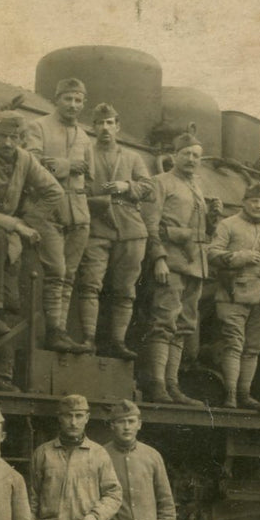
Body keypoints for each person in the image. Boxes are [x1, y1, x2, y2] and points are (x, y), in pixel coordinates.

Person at [0, 110, 65, 389]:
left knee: (26, 278)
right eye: (3, 136)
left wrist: (29, 222)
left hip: (8, 235)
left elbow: (54, 191)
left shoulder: (25, 159)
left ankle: (2, 371)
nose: (8, 143)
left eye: (14, 138)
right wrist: (16, 225)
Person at [77, 103, 156, 358]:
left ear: (118, 126)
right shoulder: (85, 154)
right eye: (100, 123)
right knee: (91, 284)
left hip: (131, 228)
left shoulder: (132, 157)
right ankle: (89, 338)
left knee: (125, 290)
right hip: (97, 224)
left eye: (110, 123)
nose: (105, 128)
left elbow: (149, 188)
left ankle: (118, 342)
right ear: (93, 127)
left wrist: (126, 185)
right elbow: (79, 187)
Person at [137, 132, 210, 406]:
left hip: (194, 266)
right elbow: (151, 224)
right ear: (175, 156)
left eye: (196, 156)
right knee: (163, 321)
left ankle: (172, 385)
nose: (191, 159)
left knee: (183, 325)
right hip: (171, 263)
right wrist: (158, 258)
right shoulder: (161, 183)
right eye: (187, 154)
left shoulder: (197, 187)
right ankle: (156, 385)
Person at [24, 77, 94, 350]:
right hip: (48, 212)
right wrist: (68, 166)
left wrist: (72, 169)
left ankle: (61, 330)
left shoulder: (85, 137)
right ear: (57, 99)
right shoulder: (38, 127)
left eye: (78, 100)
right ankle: (53, 331)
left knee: (69, 275)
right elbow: (32, 165)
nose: (73, 105)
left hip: (78, 213)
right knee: (56, 271)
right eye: (68, 99)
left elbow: (88, 175)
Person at [207, 181, 260, 409]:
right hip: (234, 294)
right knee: (234, 344)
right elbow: (212, 253)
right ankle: (231, 395)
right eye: (254, 201)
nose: (258, 206)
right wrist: (239, 257)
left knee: (253, 349)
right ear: (244, 202)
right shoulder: (228, 225)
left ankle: (244, 395)